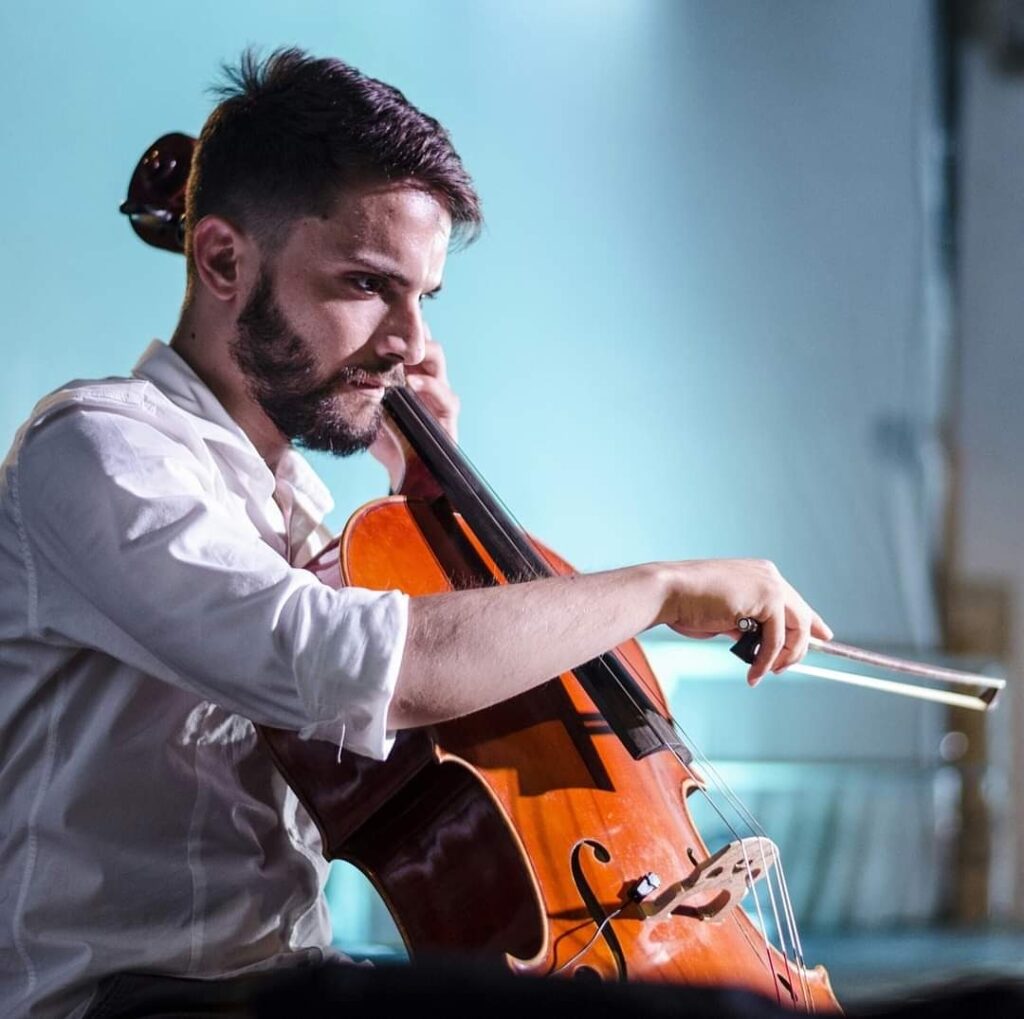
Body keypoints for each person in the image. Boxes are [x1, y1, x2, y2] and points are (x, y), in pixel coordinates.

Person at [0, 48, 832, 1018]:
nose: (410, 342)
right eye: (366, 284)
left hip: (277, 976)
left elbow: (428, 690)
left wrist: (429, 493)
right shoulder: (95, 448)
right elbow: (364, 664)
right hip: (113, 999)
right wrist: (658, 587)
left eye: (422, 298)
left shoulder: (295, 514)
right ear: (223, 260)